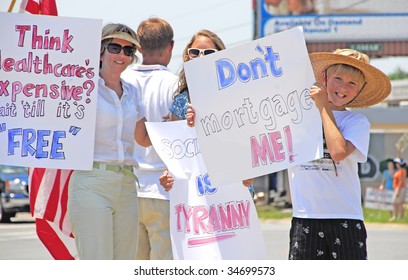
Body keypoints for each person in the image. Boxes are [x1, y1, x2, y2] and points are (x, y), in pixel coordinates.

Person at [286, 49, 391, 260]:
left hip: (345, 216)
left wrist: (323, 105)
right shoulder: (296, 116)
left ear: (360, 90)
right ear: (324, 78)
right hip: (305, 215)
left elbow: (338, 152)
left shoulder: (356, 122)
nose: (343, 87)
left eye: (352, 84)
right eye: (338, 79)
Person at [67, 23, 151, 260]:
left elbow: (144, 139)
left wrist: (181, 124)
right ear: (101, 50)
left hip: (126, 184)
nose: (122, 55)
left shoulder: (133, 92)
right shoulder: (80, 88)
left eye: (128, 51)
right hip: (91, 181)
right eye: (115, 47)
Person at [159, 29, 254, 191]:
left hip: (234, 190)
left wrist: (251, 170)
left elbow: (249, 141)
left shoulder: (237, 97)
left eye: (209, 52)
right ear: (188, 57)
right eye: (195, 52)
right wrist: (168, 177)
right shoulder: (181, 102)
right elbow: (178, 155)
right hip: (198, 191)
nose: (201, 57)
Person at [121, 17, 178, 260]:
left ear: (139, 48)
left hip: (127, 189)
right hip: (163, 189)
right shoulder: (174, 84)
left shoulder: (121, 80)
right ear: (171, 47)